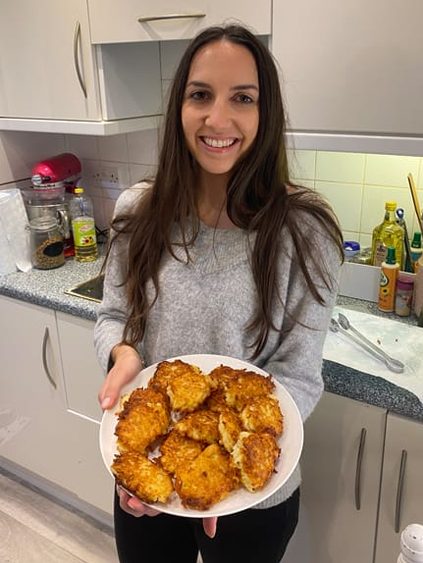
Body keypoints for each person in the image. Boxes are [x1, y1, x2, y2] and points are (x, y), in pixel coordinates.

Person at [94, 23, 344, 563]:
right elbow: (113, 316)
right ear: (179, 107)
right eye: (200, 95)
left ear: (266, 113)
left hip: (256, 495)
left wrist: (235, 463)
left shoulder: (305, 234)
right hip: (149, 477)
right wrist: (123, 354)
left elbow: (299, 375)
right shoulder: (139, 212)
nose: (218, 119)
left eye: (243, 98)